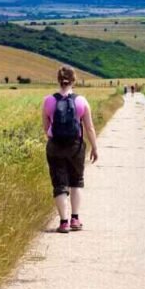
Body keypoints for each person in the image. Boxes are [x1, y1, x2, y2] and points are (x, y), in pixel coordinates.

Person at [43, 66, 98, 233]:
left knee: (59, 184)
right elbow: (89, 128)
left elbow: (46, 128)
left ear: (58, 80)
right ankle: (75, 218)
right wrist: (95, 148)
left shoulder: (48, 101)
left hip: (55, 146)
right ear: (74, 80)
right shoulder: (81, 101)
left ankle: (64, 222)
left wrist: (56, 140)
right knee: (76, 182)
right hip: (76, 146)